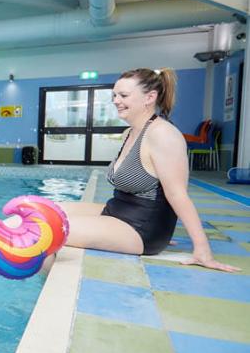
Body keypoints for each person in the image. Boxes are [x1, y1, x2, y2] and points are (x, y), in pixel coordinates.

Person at [62, 67, 237, 272]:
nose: (116, 100)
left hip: (141, 228)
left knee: (46, 229)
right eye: (114, 95)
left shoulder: (163, 135)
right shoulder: (130, 132)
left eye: (124, 95)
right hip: (117, 212)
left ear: (150, 97)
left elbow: (178, 194)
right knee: (44, 210)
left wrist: (202, 248)